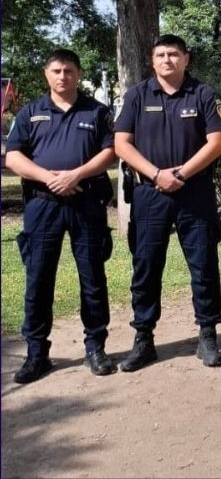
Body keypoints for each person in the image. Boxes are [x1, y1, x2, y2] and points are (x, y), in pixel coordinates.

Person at [114, 34, 221, 371]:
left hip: (195, 193)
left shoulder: (203, 94)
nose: (167, 60)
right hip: (150, 194)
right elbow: (121, 144)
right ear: (152, 61)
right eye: (161, 55)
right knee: (146, 267)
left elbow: (217, 142)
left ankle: (207, 335)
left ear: (186, 59)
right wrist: (156, 175)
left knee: (204, 265)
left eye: (174, 54)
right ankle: (143, 339)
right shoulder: (136, 95)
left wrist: (179, 174)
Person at [6, 49, 117, 383]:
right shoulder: (30, 113)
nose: (63, 76)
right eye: (56, 71)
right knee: (38, 279)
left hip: (87, 202)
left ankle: (95, 348)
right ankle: (36, 354)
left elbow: (111, 152)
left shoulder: (97, 112)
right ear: (47, 74)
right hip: (42, 206)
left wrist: (76, 175)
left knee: (92, 278)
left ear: (78, 74)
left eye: (69, 71)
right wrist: (49, 178)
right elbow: (13, 157)